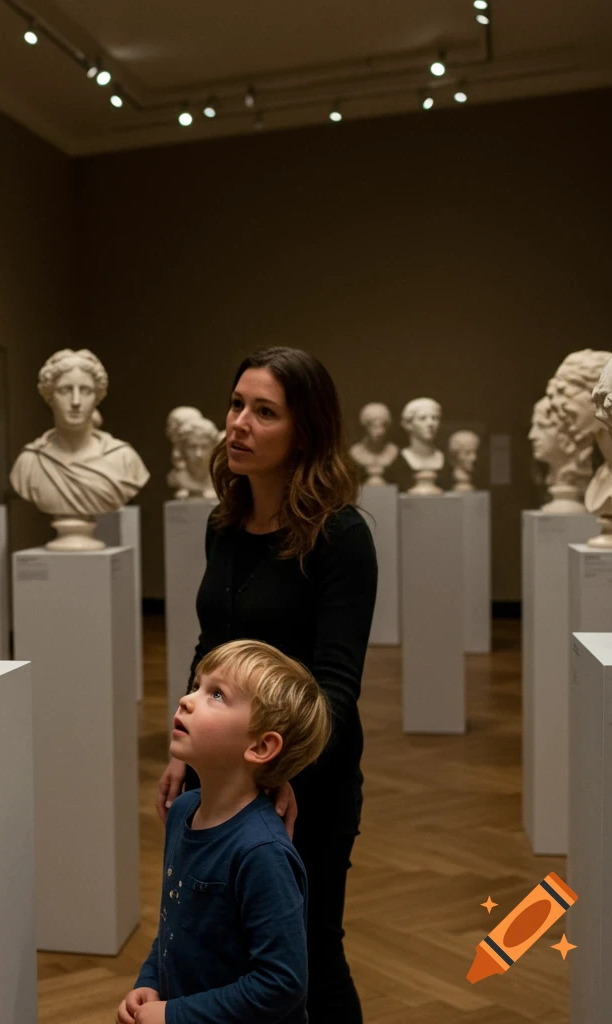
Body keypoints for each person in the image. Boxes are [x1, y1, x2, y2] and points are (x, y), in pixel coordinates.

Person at [156, 346, 377, 1023]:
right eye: (236, 405)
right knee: (214, 947)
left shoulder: (340, 537)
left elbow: (337, 685)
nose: (239, 425)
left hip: (304, 781)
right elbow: (211, 648)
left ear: (304, 431)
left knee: (309, 952)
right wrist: (179, 750)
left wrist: (283, 772)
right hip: (225, 767)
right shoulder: (224, 523)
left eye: (264, 412)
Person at [119, 639, 330, 1024]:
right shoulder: (184, 810)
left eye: (216, 694)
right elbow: (175, 924)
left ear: (262, 746)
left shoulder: (262, 852)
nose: (187, 700)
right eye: (196, 686)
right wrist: (150, 982)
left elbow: (281, 983)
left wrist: (174, 1015)